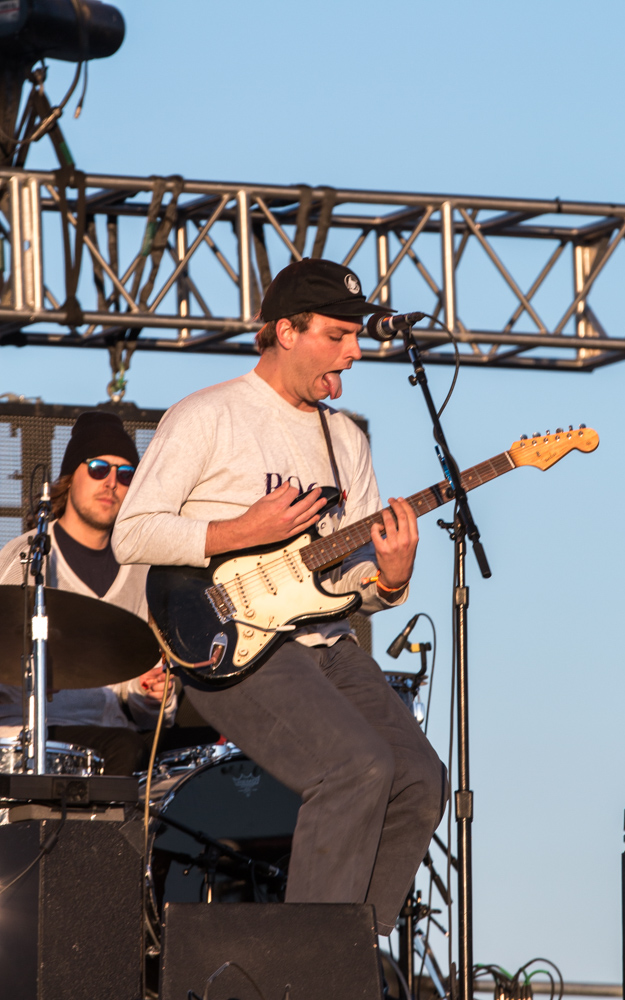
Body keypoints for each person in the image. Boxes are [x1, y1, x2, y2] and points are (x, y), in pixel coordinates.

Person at [113, 258, 447, 935]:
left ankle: (351, 950)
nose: (352, 353)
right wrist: (241, 529)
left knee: (418, 779)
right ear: (284, 332)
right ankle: (307, 965)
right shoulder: (208, 415)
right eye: (336, 335)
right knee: (354, 767)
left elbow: (351, 589)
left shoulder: (344, 438)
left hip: (325, 644)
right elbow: (132, 534)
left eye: (356, 336)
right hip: (226, 640)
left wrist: (388, 576)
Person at [0, 411, 179, 774]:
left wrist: (150, 693)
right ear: (70, 477)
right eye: (98, 468)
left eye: (125, 474)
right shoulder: (24, 555)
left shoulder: (143, 570)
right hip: (24, 734)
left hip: (111, 734)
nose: (111, 482)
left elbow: (141, 705)